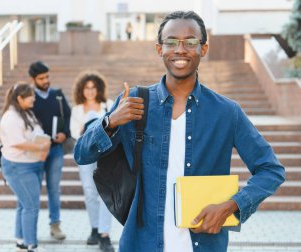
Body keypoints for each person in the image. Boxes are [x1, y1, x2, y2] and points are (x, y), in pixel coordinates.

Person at [74, 11, 285, 252]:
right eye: (171, 42)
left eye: (190, 42)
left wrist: (231, 206)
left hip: (203, 244)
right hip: (141, 244)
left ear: (203, 49)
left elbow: (271, 169)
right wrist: (110, 122)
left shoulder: (227, 112)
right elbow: (82, 154)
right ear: (159, 49)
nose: (180, 49)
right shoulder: (134, 102)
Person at [0, 83, 50, 252]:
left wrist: (43, 146)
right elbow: (17, 142)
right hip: (17, 166)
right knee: (31, 206)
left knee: (23, 204)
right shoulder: (11, 117)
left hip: (32, 164)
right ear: (20, 98)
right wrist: (41, 147)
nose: (34, 99)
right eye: (31, 96)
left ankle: (21, 241)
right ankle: (31, 245)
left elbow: (37, 134)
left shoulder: (26, 113)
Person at [70, 71, 115, 252]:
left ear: (99, 89)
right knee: (90, 192)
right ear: (82, 90)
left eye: (93, 88)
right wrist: (86, 131)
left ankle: (105, 234)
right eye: (86, 88)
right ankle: (95, 228)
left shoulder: (108, 105)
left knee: (105, 195)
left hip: (106, 155)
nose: (90, 91)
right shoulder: (77, 110)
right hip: (87, 156)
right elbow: (75, 133)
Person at [29, 61, 71, 240]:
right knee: (34, 190)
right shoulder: (29, 97)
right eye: (41, 78)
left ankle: (55, 226)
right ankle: (31, 229)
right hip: (36, 152)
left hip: (55, 150)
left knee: (54, 189)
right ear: (33, 79)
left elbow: (68, 116)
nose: (46, 81)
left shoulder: (58, 95)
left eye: (47, 77)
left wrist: (65, 133)